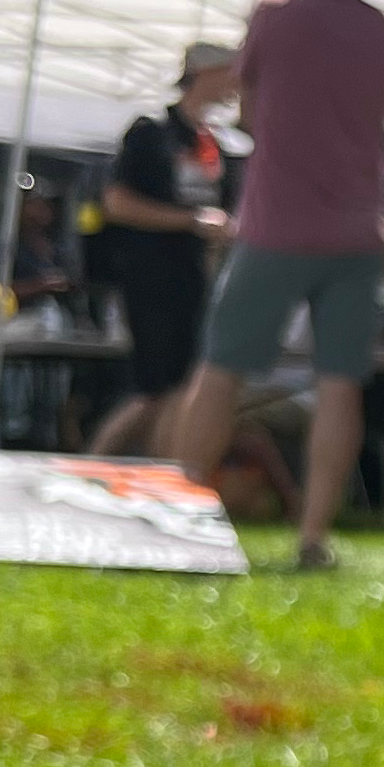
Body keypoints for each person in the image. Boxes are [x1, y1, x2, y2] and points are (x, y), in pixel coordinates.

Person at [172, 0, 384, 573]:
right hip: (359, 230)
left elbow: (249, 106)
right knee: (341, 386)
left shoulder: (275, 14)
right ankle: (312, 538)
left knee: (220, 371)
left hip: (275, 224)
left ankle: (181, 515)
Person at [90, 43, 242, 459]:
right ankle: (95, 461)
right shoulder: (151, 133)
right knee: (153, 386)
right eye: (229, 71)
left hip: (196, 277)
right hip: (149, 274)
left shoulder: (216, 144)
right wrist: (191, 220)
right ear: (202, 73)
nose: (236, 82)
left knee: (183, 386)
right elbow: (117, 203)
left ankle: (164, 469)